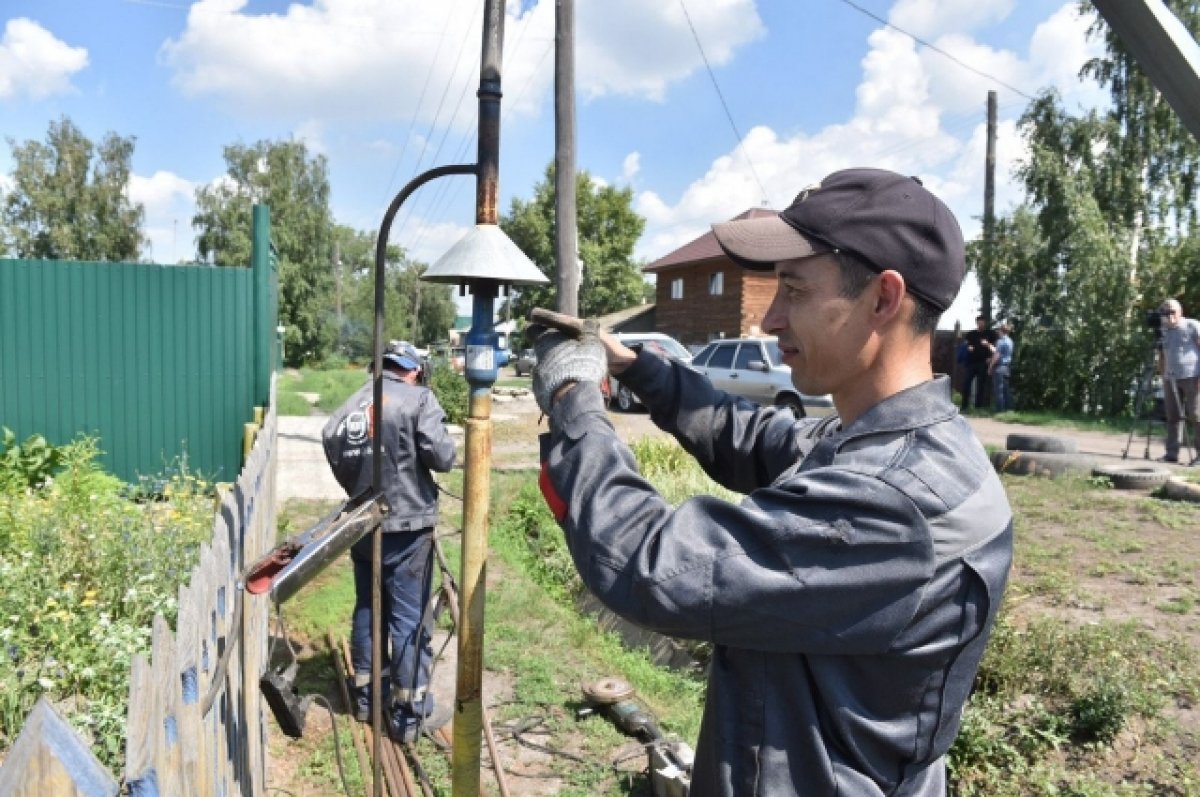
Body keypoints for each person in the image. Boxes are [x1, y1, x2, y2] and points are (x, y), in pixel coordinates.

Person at [528, 167, 1013, 796]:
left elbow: (651, 567)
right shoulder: (879, 445)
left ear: (884, 299)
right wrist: (637, 367)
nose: (771, 319)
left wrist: (573, 400)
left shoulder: (895, 498)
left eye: (796, 291)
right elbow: (755, 439)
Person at [322, 343, 456, 742]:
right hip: (408, 526)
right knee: (409, 620)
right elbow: (442, 456)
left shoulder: (349, 406)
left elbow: (332, 443)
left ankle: (365, 698)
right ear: (412, 371)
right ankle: (409, 714)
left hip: (363, 525)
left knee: (368, 608)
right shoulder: (418, 399)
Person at [1156, 298, 1200, 465]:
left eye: (1172, 312)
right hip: (1170, 377)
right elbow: (1161, 354)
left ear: (1180, 312)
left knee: (1196, 416)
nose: (1169, 316)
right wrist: (1162, 374)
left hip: (1192, 376)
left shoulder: (1192, 325)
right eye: (1165, 312)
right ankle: (1171, 453)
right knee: (1173, 417)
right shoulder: (1162, 330)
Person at [960, 315, 995, 411]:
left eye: (982, 322)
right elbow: (965, 345)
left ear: (985, 323)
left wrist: (990, 356)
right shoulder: (971, 334)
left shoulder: (990, 334)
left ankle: (978, 407)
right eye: (979, 322)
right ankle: (964, 406)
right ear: (976, 323)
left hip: (983, 363)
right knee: (966, 383)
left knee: (981, 385)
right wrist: (968, 348)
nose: (980, 323)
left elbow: (995, 349)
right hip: (971, 362)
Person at [987, 321, 1014, 412]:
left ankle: (1000, 410)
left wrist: (990, 366)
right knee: (1006, 389)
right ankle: (1009, 409)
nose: (997, 332)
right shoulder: (1010, 341)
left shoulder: (1000, 341)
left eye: (998, 330)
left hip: (999, 367)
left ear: (1001, 331)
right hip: (1007, 367)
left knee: (998, 390)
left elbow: (997, 355)